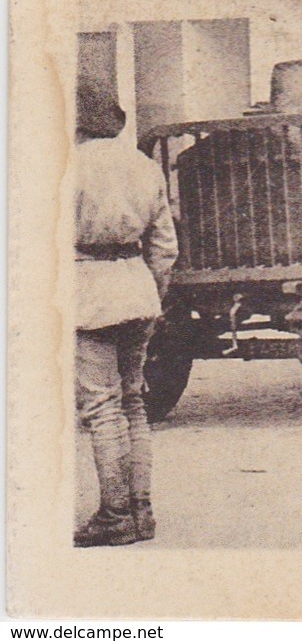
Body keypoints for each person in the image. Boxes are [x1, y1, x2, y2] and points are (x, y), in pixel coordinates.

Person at [74, 85, 177, 547]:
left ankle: (115, 515)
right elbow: (165, 248)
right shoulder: (144, 166)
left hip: (88, 290)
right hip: (137, 288)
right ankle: (141, 511)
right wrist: (152, 296)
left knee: (101, 407)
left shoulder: (65, 167)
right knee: (133, 402)